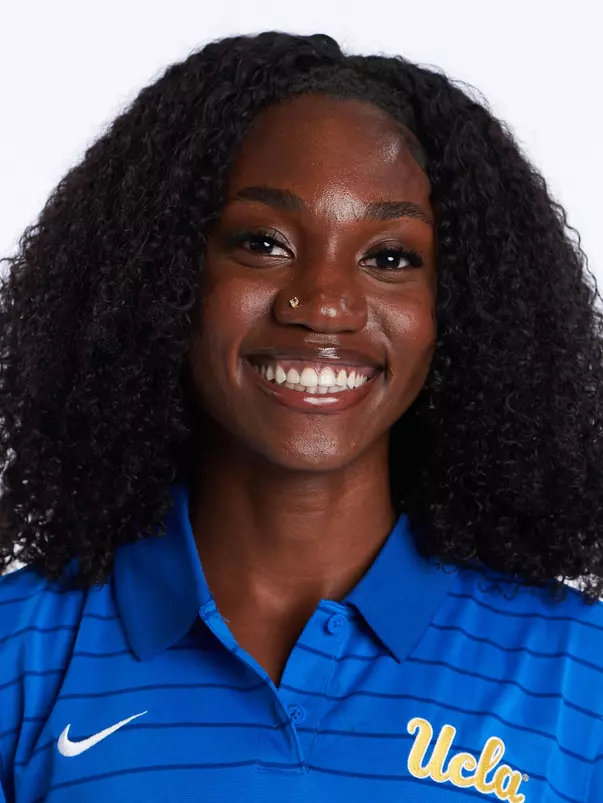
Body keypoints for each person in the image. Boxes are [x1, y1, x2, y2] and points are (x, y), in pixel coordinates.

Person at [0, 28, 602, 803]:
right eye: (263, 242)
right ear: (162, 277)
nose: (322, 303)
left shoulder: (576, 672)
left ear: (458, 310)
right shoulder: (19, 656)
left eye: (389, 257)